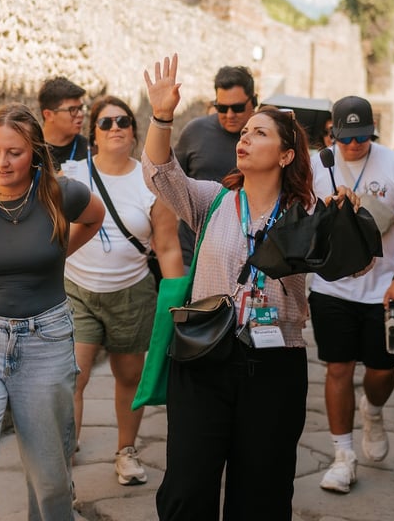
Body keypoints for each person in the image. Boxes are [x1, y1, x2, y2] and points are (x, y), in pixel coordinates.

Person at [142, 54, 315, 521]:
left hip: (276, 363)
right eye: (243, 132)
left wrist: (347, 219)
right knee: (186, 488)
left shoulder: (306, 215)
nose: (244, 137)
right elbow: (160, 172)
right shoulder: (212, 199)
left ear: (285, 154)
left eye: (259, 132)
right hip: (203, 357)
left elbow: (351, 268)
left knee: (263, 493)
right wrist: (161, 116)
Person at [0, 103, 105, 520]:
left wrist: (57, 254)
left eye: (14, 152)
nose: (1, 162)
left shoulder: (62, 195)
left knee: (51, 480)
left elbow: (95, 217)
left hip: (45, 342)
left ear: (35, 154)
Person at [309, 95, 394, 494]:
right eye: (346, 138)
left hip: (383, 289)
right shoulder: (317, 165)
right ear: (332, 133)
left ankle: (373, 410)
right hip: (332, 287)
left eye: (363, 137)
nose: (355, 145)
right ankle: (343, 456)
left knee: (382, 371)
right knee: (338, 369)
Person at [64, 95, 183, 485]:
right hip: (76, 289)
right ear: (92, 134)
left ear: (133, 131)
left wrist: (177, 302)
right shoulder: (72, 175)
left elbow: (166, 246)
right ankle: (65, 454)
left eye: (123, 122)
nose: (115, 128)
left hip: (131, 293)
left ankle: (126, 451)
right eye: (105, 123)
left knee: (129, 375)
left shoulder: (151, 180)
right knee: (74, 375)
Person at [174, 65, 257, 268]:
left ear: (253, 101)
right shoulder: (195, 131)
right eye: (221, 108)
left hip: (245, 256)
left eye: (237, 108)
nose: (229, 115)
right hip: (192, 253)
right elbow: (171, 182)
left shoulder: (265, 136)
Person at [38, 76, 89, 172]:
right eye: (72, 110)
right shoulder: (30, 149)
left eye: (81, 108)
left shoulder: (90, 152)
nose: (80, 115)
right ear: (48, 115)